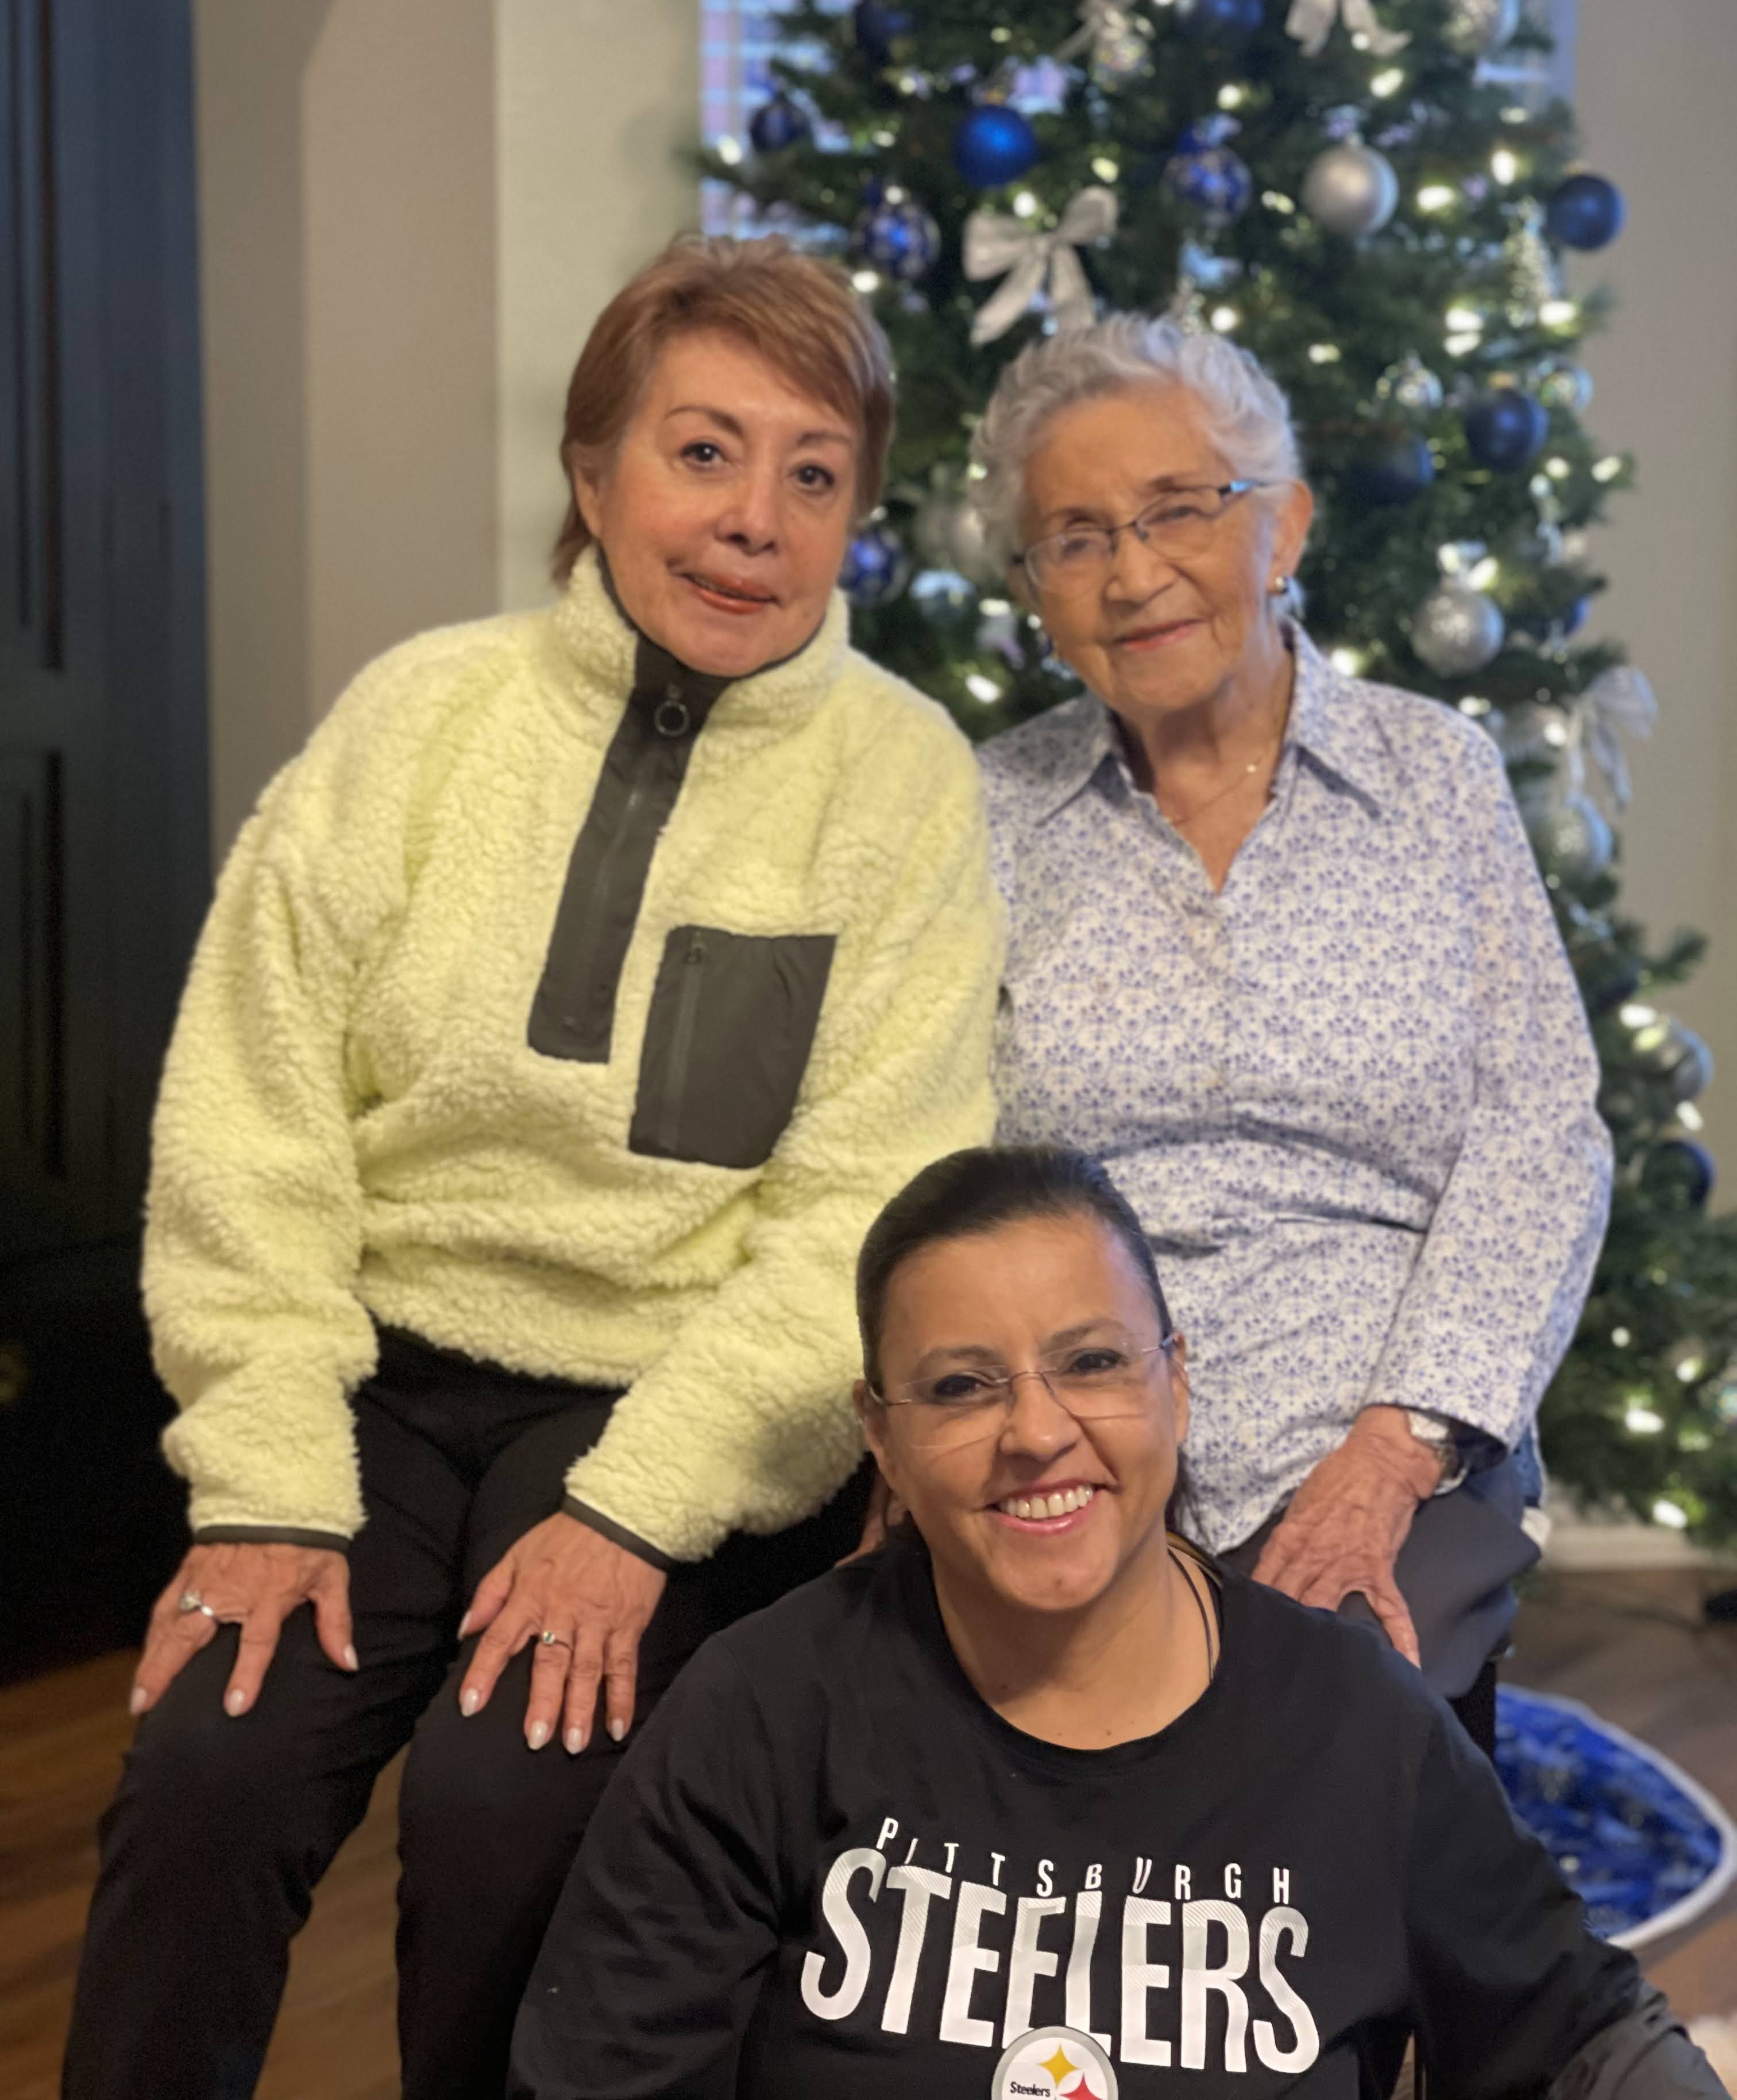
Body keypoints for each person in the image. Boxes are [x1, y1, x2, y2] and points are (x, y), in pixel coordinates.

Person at [63, 234, 1002, 2100]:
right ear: (593, 478)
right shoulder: (419, 721)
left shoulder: (901, 784)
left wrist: (638, 1507)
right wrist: (262, 1474)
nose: (753, 519)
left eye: (812, 474)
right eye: (702, 452)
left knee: (522, 1784)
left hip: (674, 1404)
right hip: (374, 1379)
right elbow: (250, 1117)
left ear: (859, 520)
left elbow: (860, 1217)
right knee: (212, 1750)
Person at [510, 1145, 1724, 2100]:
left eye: (1091, 1362)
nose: (1037, 1431)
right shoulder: (766, 1706)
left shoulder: (1355, 1728)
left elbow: (1583, 2038)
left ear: (1176, 1383)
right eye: (960, 1386)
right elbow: (604, 2076)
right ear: (878, 1435)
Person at [967, 314, 1612, 1746]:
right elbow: (924, 1144)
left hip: (1385, 1414)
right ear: (1037, 589)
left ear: (1285, 525)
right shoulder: (988, 811)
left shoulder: (1432, 775)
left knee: (1313, 1751)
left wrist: (1395, 1448)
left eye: (1177, 512)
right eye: (1075, 539)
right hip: (1070, 1427)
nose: (1134, 576)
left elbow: (1541, 1130)